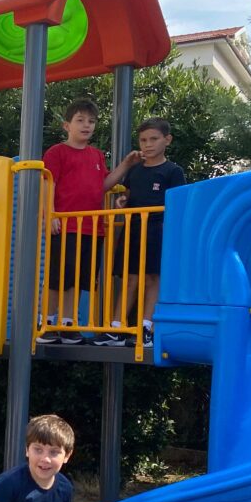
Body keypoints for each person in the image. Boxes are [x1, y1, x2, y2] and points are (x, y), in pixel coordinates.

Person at [35, 100, 132, 345]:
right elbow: (48, 183)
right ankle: (46, 322)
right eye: (80, 120)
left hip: (92, 227)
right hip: (66, 224)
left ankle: (68, 324)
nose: (86, 125)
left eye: (91, 121)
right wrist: (50, 214)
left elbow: (103, 185)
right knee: (58, 277)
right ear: (67, 125)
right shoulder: (57, 152)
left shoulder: (96, 155)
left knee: (80, 279)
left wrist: (126, 165)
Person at [95, 117, 187, 348]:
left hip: (158, 230)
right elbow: (128, 195)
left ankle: (147, 328)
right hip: (133, 229)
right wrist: (123, 200)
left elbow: (179, 204)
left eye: (154, 139)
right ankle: (117, 328)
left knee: (153, 277)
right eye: (143, 140)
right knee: (129, 277)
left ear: (167, 140)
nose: (148, 144)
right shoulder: (135, 170)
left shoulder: (173, 171)